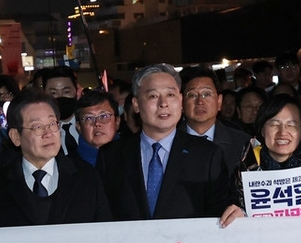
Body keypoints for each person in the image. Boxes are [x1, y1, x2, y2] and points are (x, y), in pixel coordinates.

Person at [96, 63, 241, 221]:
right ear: (136, 104)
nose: (163, 103)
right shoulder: (111, 155)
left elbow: (221, 209)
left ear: (180, 101)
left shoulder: (207, 155)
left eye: (170, 95)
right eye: (153, 96)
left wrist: (235, 212)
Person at [0, 92, 111, 227]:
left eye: (52, 124)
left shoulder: (87, 178)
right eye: (38, 127)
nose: (48, 134)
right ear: (16, 136)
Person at [223, 95, 301, 224]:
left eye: (291, 125)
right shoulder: (242, 172)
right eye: (274, 124)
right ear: (262, 129)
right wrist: (237, 214)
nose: (282, 132)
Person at [180, 67, 248, 173]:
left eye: (207, 94)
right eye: (192, 95)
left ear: (219, 101)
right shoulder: (167, 142)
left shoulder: (242, 143)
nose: (200, 101)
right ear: (181, 103)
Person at [72, 89, 119, 167]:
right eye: (89, 118)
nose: (97, 123)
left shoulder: (134, 157)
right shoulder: (67, 166)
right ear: (79, 127)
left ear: (117, 122)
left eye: (104, 116)